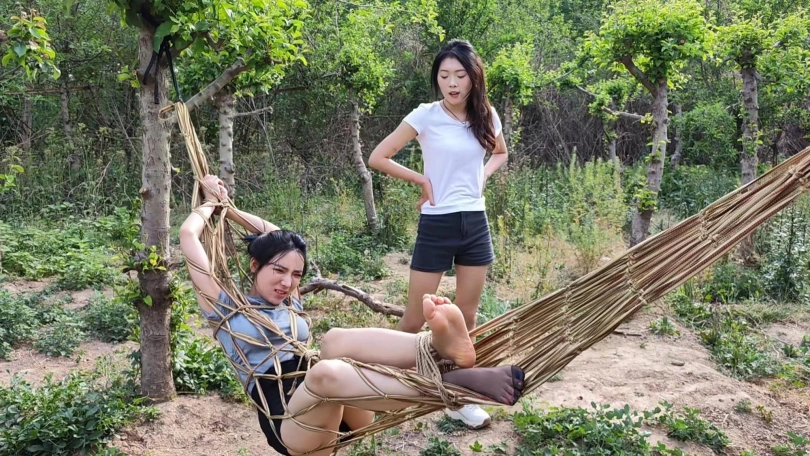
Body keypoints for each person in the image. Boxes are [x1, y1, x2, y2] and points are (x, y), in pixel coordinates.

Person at [179, 175, 525, 456]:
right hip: (293, 425)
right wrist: (212, 203)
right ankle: (448, 386)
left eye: (296, 275)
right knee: (325, 371)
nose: (287, 282)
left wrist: (231, 208)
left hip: (346, 406)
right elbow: (188, 234)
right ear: (255, 265)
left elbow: (276, 233)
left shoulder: (289, 302)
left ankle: (436, 347)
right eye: (278, 270)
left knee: (333, 341)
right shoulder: (224, 309)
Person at [367, 39, 509, 428]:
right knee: (414, 319)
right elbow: (378, 156)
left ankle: (457, 398)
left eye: (460, 75)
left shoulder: (486, 115)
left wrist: (482, 176)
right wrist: (420, 180)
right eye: (444, 76)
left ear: (473, 77)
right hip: (437, 223)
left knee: (465, 317)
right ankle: (378, 390)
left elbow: (500, 152)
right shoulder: (425, 115)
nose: (452, 83)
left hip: (475, 223)